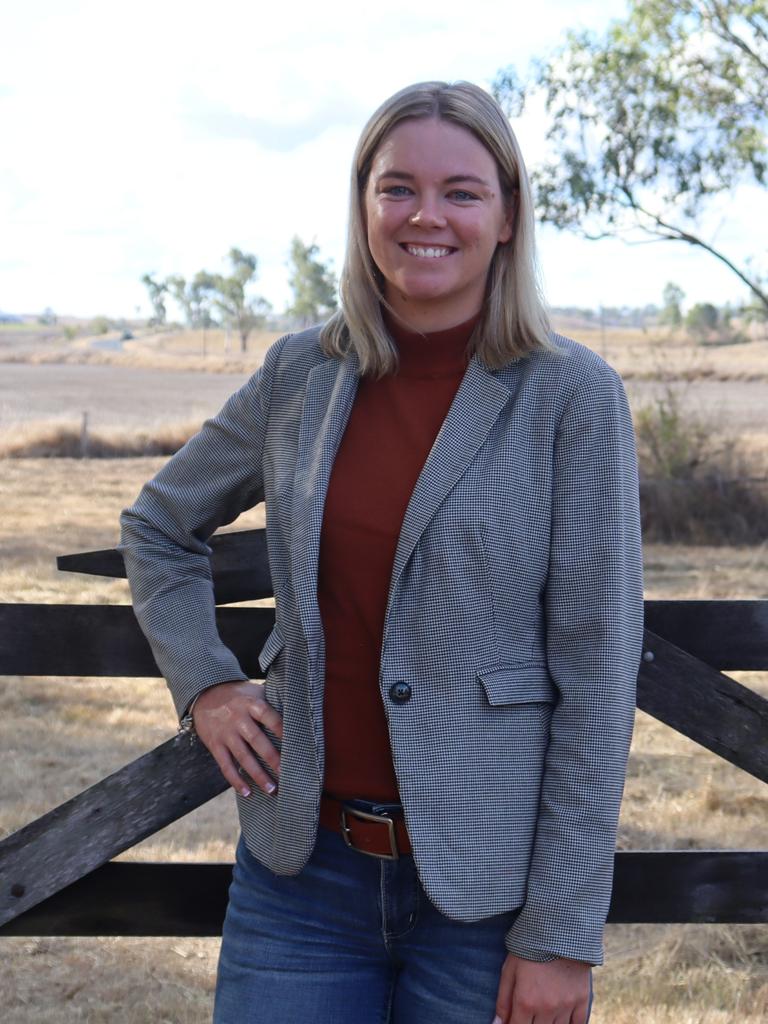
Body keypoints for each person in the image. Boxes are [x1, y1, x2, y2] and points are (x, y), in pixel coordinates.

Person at [119, 80, 643, 1024]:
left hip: (488, 895)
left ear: (510, 214)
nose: (426, 216)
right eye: (398, 187)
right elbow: (159, 526)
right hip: (300, 882)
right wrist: (204, 683)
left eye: (462, 191)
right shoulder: (300, 373)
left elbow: (599, 677)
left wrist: (560, 932)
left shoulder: (574, 396)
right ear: (363, 207)